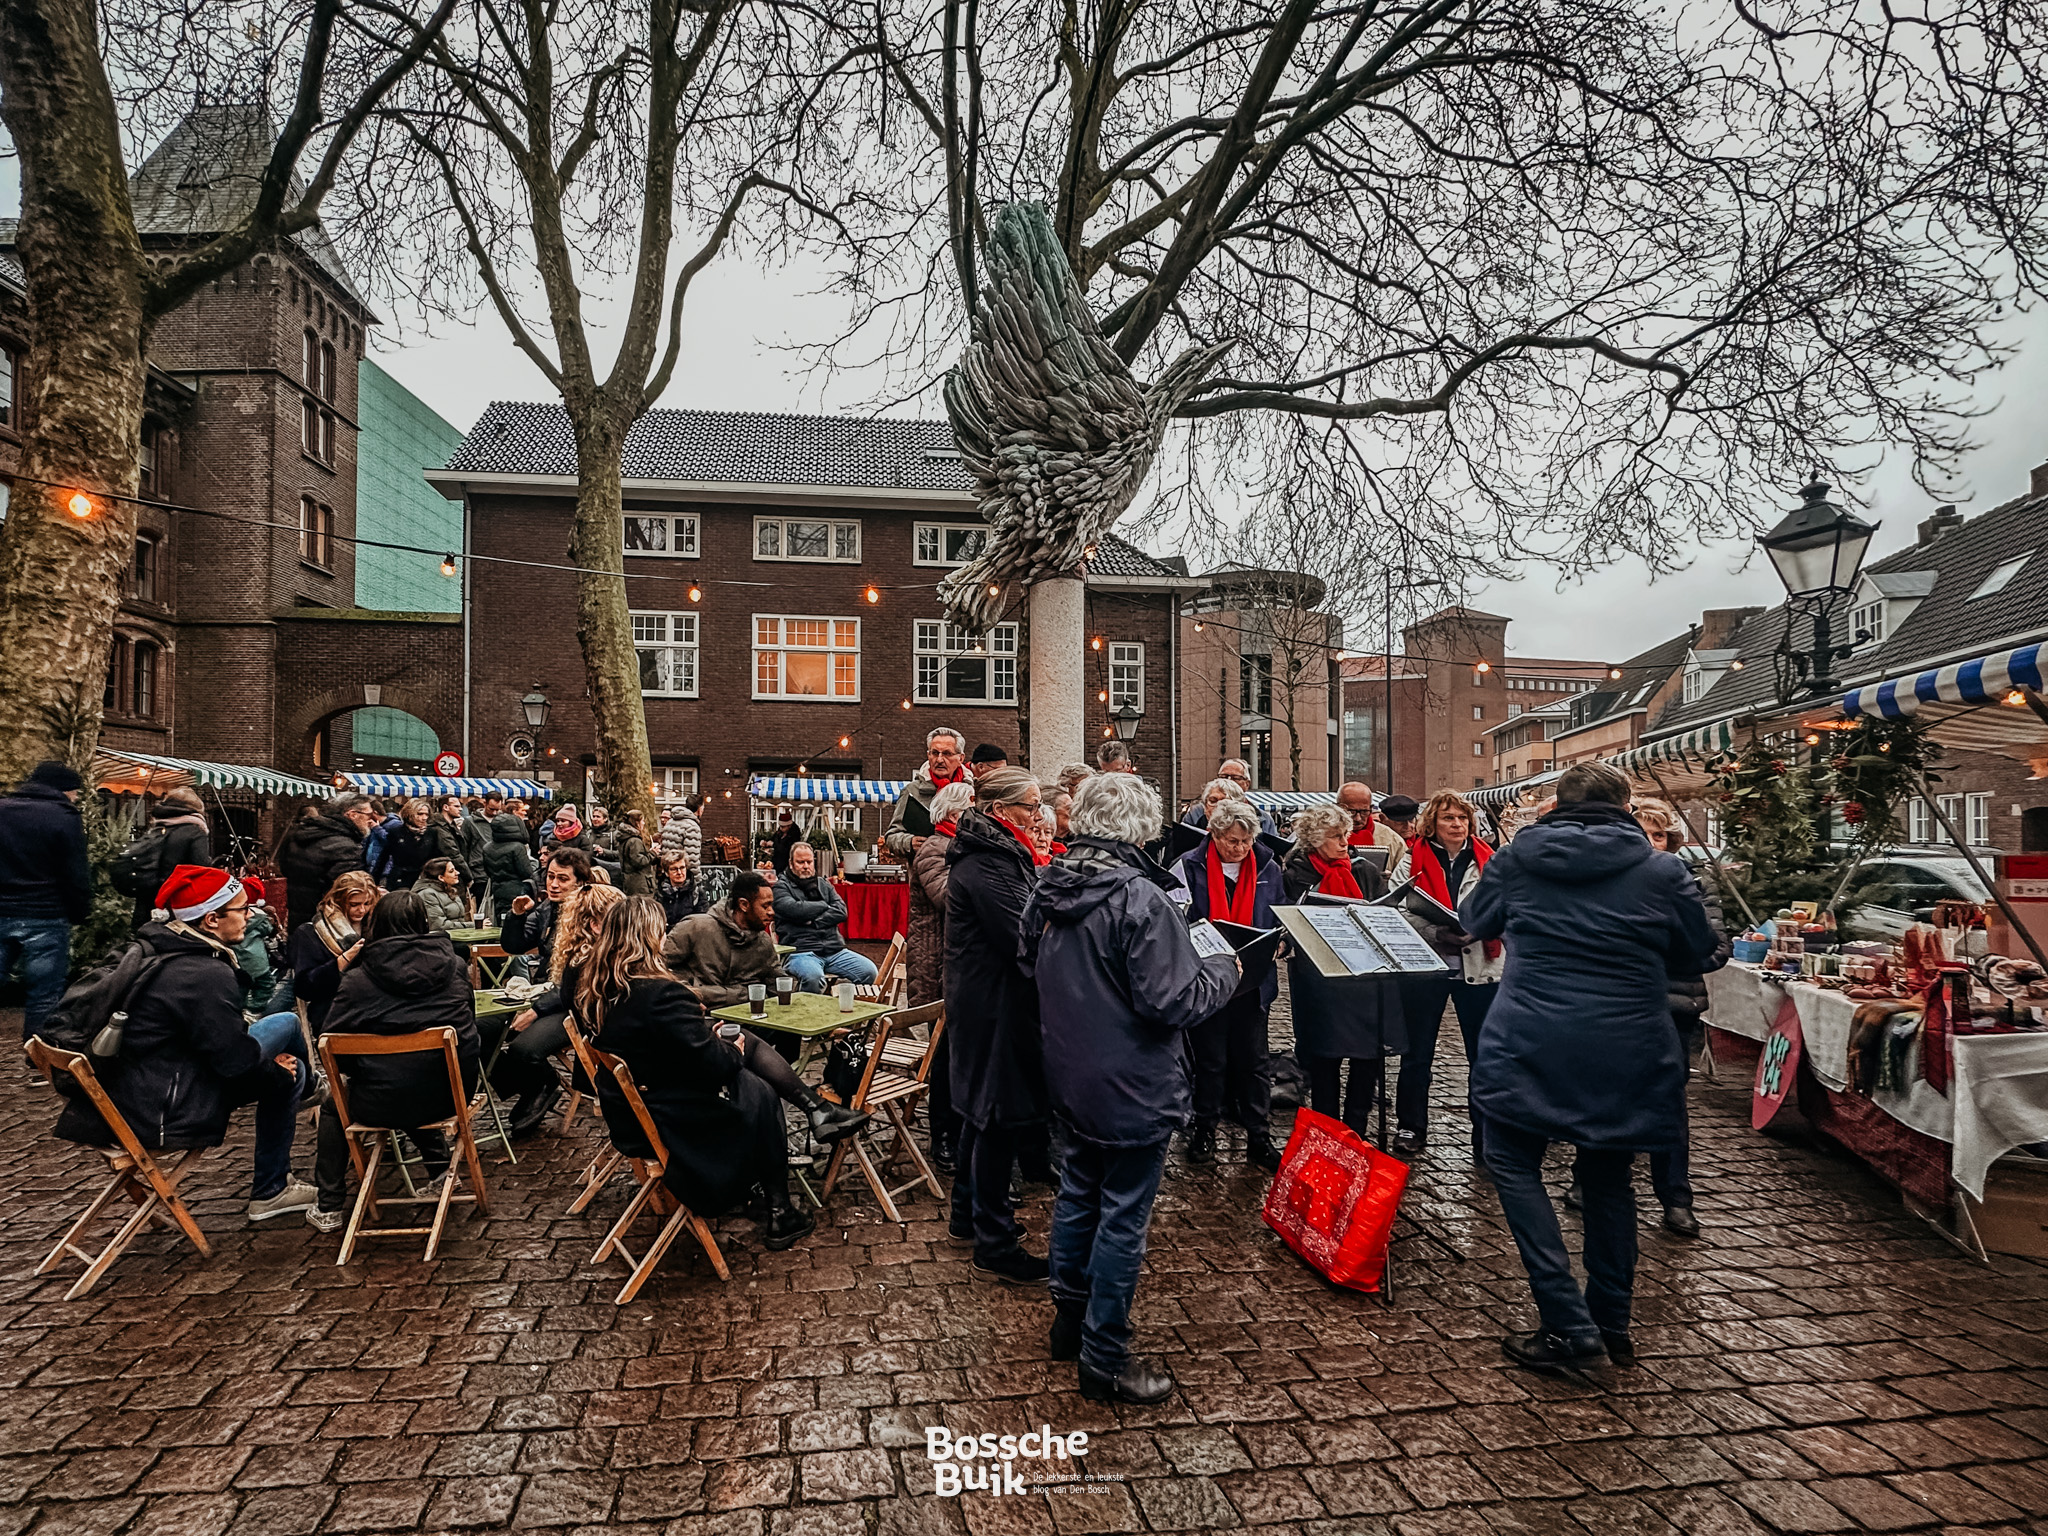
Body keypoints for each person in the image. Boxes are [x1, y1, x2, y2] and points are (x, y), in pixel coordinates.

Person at [1462, 761, 1724, 1373]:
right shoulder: (1662, 871)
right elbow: (1696, 953)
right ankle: (1610, 1321)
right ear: (1628, 808)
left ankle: (1565, 1321)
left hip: (1529, 1037)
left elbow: (1473, 924)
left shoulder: (1518, 858)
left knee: (1512, 1163)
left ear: (1557, 806)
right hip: (1627, 1043)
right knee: (1609, 1180)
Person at [1022, 771, 1239, 1403]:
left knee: (1078, 1193)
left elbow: (1025, 962)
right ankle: (1104, 1356)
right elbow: (1172, 998)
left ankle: (1070, 1320)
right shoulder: (1140, 898)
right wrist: (1225, 967)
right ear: (1143, 828)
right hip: (1132, 1081)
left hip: (1070, 1068)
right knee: (1121, 1216)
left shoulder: (1048, 885)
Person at [580, 899, 862, 1252]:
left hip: (635, 1107)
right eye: (660, 932)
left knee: (743, 1059)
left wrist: (701, 1030)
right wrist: (729, 1047)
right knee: (756, 1086)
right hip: (669, 1119)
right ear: (647, 938)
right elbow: (719, 1066)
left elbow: (658, 1043)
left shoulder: (599, 988)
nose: (664, 938)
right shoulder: (659, 994)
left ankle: (813, 1118)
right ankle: (781, 1203)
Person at [54, 865, 315, 1221]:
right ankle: (271, 1188)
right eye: (242, 909)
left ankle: (311, 1093)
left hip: (129, 1090)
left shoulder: (153, 947)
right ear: (211, 920)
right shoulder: (203, 974)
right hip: (163, 1108)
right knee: (291, 1072)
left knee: (284, 1024)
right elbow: (233, 1063)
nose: (249, 916)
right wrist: (277, 1075)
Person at [307, 890, 482, 1232]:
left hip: (381, 1101)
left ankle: (329, 1205)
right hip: (449, 1095)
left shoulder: (358, 979)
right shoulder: (454, 966)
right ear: (423, 923)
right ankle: (441, 1169)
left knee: (338, 1102)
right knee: (416, 1072)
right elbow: (468, 1028)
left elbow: (332, 1044)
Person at [944, 767, 1049, 1283]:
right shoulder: (988, 864)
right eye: (1030, 806)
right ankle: (993, 1239)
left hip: (992, 999)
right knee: (995, 1116)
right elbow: (1022, 936)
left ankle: (967, 1215)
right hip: (993, 1003)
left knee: (982, 1114)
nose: (1038, 815)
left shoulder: (999, 856)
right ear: (1000, 811)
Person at [1617, 798, 1728, 1238]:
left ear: (1671, 841)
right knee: (1615, 1095)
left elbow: (1717, 946)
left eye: (1659, 834)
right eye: (1642, 833)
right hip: (1621, 1007)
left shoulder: (1696, 883)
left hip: (1674, 1007)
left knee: (1669, 1103)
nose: (1651, 842)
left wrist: (1659, 953)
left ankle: (1676, 1196)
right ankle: (1598, 1181)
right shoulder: (1616, 882)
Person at [1278, 804, 1402, 1138]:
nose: (1344, 841)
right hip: (1321, 982)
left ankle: (1357, 1131)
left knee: (1366, 1059)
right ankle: (1326, 1131)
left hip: (1364, 981)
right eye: (1335, 836)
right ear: (1315, 840)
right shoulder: (1296, 874)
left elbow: (1386, 911)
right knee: (1324, 1058)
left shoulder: (1364, 870)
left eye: (1345, 834)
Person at [1391, 790, 1502, 1158]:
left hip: (1481, 966)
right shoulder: (1411, 860)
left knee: (1482, 1055)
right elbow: (1397, 910)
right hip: (1427, 964)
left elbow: (1506, 905)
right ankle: (1410, 1127)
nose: (1457, 825)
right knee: (1417, 1053)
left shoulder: (1490, 860)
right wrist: (1436, 932)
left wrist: (1480, 926)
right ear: (1432, 824)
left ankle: (1485, 1133)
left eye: (1462, 818)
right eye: (1448, 818)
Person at [1176, 798, 1286, 1169]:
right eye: (1231, 841)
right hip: (1208, 979)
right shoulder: (1190, 865)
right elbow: (1179, 918)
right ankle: (1204, 1128)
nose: (1239, 849)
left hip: (1253, 981)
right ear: (1214, 834)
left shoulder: (1268, 867)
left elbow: (1280, 915)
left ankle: (1259, 1134)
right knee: (1210, 1059)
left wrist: (1280, 943)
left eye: (1245, 842)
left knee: (1254, 1061)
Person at [490, 881, 619, 1136]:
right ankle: (534, 1087)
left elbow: (572, 990)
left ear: (579, 883)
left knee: (522, 1048)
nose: (554, 883)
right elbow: (512, 946)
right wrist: (516, 916)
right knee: (484, 1033)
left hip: (566, 1006)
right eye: (550, 875)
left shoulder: (600, 938)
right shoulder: (545, 910)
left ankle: (540, 1086)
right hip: (543, 993)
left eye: (562, 878)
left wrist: (536, 1010)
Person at [908, 779, 975, 1174]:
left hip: (955, 960)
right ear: (952, 813)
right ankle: (942, 1136)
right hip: (937, 963)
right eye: (970, 808)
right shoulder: (935, 848)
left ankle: (957, 1128)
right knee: (945, 1053)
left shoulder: (959, 846)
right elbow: (950, 898)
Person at [0, 761, 93, 1040]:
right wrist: (79, 911)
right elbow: (74, 872)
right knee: (45, 992)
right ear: (64, 790)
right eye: (75, 792)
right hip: (46, 913)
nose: (76, 798)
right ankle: (38, 1055)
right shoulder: (63, 816)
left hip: (2, 909)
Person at [663, 869, 788, 1010]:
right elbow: (656, 968)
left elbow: (778, 984)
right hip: (698, 1016)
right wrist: (689, 993)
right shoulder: (695, 927)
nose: (772, 912)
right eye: (765, 906)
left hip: (748, 1018)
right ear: (744, 905)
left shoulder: (763, 942)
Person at [774, 843, 879, 993]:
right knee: (813, 978)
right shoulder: (781, 887)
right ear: (791, 864)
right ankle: (808, 1012)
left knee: (869, 971)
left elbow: (841, 911)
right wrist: (824, 905)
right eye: (800, 862)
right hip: (800, 951)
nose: (805, 866)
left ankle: (843, 1009)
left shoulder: (823, 884)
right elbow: (794, 909)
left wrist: (814, 921)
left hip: (833, 949)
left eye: (809, 862)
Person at [287, 871, 378, 1034]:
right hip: (333, 1013)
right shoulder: (309, 933)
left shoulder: (376, 925)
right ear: (338, 901)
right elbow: (304, 987)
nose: (362, 910)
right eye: (354, 904)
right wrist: (342, 961)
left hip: (374, 1011)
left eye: (367, 903)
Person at [279, 794, 374, 933]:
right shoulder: (346, 846)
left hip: (298, 914)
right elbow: (348, 891)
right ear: (352, 814)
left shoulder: (298, 834)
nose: (371, 820)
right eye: (368, 814)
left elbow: (284, 868)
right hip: (327, 924)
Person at [128, 787, 213, 928]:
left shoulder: (157, 828)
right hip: (176, 902)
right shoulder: (194, 831)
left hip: (147, 901)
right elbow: (201, 868)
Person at [885, 727, 970, 857]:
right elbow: (891, 836)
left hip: (965, 871)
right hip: (924, 871)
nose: (940, 760)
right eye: (935, 753)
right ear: (928, 755)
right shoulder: (912, 792)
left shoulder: (973, 792)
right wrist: (909, 842)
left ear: (961, 758)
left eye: (947, 753)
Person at [1336, 781, 1411, 883]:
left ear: (1371, 809)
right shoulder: (1322, 836)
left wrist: (1392, 879)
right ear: (1337, 808)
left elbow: (1407, 879)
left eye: (1364, 812)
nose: (1358, 818)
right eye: (1351, 812)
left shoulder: (1392, 839)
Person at [232, 877, 285, 1014]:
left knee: (241, 987)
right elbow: (268, 930)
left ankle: (241, 1008)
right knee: (265, 985)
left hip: (239, 961)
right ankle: (256, 1009)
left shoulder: (233, 917)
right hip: (258, 961)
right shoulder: (260, 917)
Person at [1180, 762, 1278, 836]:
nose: (1228, 781)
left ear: (1247, 784)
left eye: (1235, 778)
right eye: (1223, 777)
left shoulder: (1264, 819)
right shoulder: (1195, 814)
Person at [483, 805, 538, 921]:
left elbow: (488, 871)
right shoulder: (517, 847)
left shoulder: (487, 848)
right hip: (518, 890)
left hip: (497, 890)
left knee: (502, 920)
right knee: (518, 919)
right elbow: (526, 872)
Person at [425, 798, 474, 909]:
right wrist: (468, 877)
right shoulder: (440, 828)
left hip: (452, 874)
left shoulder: (449, 826)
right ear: (445, 807)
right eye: (456, 806)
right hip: (447, 875)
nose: (460, 809)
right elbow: (453, 854)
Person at [413, 857, 468, 932]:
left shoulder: (451, 889)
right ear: (441, 877)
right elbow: (439, 925)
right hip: (442, 939)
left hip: (459, 935)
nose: (457, 873)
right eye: (451, 871)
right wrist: (474, 925)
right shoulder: (428, 894)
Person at [616, 809, 657, 896]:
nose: (644, 823)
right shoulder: (634, 841)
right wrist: (653, 853)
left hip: (629, 882)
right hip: (640, 884)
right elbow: (639, 861)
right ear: (636, 822)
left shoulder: (624, 838)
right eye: (642, 821)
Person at [656, 851, 702, 926]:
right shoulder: (660, 893)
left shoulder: (696, 892)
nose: (679, 872)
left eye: (682, 868)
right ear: (667, 873)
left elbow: (701, 919)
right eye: (674, 869)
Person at [661, 793, 705, 868]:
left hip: (668, 870)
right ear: (699, 809)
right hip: (681, 873)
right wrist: (696, 878)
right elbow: (692, 859)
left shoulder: (670, 822)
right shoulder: (692, 827)